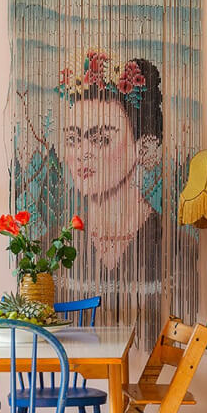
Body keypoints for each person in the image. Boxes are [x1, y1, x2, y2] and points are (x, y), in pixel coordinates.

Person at [54, 52, 163, 337]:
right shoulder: (55, 244)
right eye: (73, 140)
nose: (81, 154)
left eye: (101, 139)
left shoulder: (172, 243)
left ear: (142, 147)